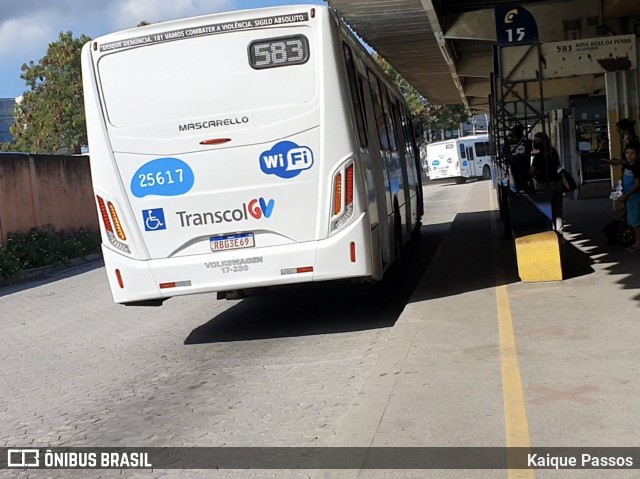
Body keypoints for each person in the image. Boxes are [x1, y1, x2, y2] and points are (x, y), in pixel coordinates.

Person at [602, 140, 640, 253]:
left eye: (632, 153)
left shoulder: (637, 167)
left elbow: (638, 185)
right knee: (633, 221)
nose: (629, 156)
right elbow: (623, 162)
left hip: (634, 198)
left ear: (638, 155)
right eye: (627, 153)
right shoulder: (629, 164)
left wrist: (626, 195)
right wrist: (613, 162)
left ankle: (638, 243)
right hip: (629, 198)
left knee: (636, 222)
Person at [530, 132, 564, 233]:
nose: (534, 143)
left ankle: (549, 232)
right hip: (558, 183)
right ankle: (560, 233)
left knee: (546, 210)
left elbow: (531, 171)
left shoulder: (538, 157)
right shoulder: (553, 152)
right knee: (558, 211)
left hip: (547, 184)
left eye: (536, 141)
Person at [504, 124, 533, 192]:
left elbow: (505, 154)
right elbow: (530, 150)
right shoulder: (527, 142)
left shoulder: (508, 144)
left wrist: (508, 138)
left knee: (517, 189)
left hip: (515, 169)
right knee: (528, 188)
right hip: (526, 168)